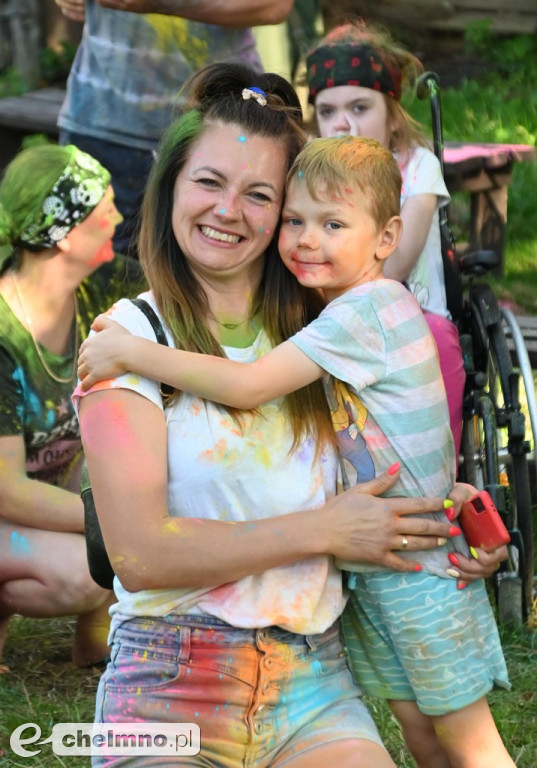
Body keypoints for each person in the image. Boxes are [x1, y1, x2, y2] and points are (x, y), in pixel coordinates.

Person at [74, 62, 506, 768]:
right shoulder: (129, 341)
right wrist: (326, 531)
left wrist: (436, 510)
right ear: (170, 188)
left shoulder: (326, 333)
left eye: (259, 195)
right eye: (208, 183)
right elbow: (140, 556)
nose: (227, 211)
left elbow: (379, 446)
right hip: (168, 683)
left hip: (313, 680)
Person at [0, 142, 144, 668]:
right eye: (103, 207)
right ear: (62, 233)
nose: (119, 216)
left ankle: (99, 634)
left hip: (43, 498)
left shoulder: (104, 284)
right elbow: (7, 491)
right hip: (8, 505)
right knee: (92, 567)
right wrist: (115, 523)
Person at [304, 20, 466, 458]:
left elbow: (393, 265)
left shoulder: (418, 168)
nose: (343, 124)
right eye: (328, 112)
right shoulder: (311, 179)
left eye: (360, 109)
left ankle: (440, 470)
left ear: (392, 117)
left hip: (411, 312)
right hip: (331, 315)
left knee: (439, 337)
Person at [55, 0, 293, 255]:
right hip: (101, 119)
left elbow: (274, 6)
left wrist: (159, 4)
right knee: (88, 274)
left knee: (212, 268)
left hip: (220, 129)